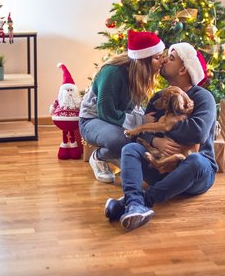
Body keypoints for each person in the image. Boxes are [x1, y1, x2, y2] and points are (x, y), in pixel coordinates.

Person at [105, 42, 217, 231]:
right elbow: (143, 132)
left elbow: (198, 132)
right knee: (130, 149)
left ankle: (139, 202)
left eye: (171, 58)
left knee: (197, 160)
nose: (163, 60)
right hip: (160, 168)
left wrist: (165, 126)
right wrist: (156, 140)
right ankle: (134, 202)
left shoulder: (203, 97)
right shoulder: (159, 97)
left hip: (195, 174)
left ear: (183, 69)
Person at [79, 30, 165, 183]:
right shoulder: (113, 73)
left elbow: (134, 108)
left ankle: (118, 155)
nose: (162, 61)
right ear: (143, 61)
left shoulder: (138, 75)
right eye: (158, 57)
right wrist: (141, 121)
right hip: (91, 120)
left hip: (114, 122)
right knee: (122, 140)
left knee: (134, 138)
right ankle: (99, 156)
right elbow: (107, 112)